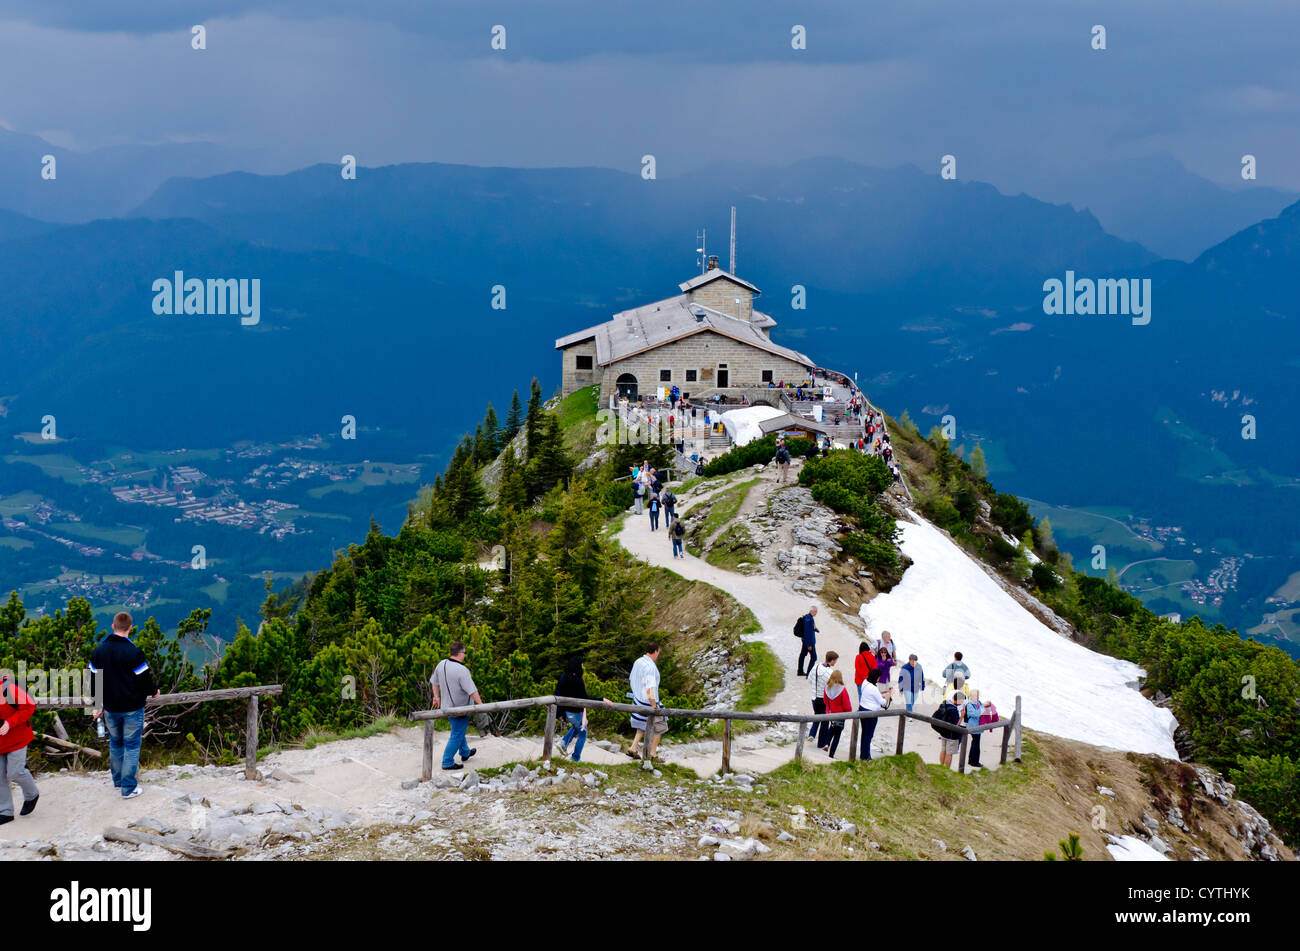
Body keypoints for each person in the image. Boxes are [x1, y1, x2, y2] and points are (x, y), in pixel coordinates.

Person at [89, 611, 159, 799]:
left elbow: (94, 679)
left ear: (113, 626)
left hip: (110, 707)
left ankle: (118, 780)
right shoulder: (133, 652)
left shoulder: (99, 651)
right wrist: (154, 691)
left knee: (116, 743)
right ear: (130, 628)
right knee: (132, 745)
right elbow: (144, 679)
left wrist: (97, 705)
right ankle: (128, 788)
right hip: (132, 707)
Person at [430, 641, 482, 771]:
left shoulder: (441, 664)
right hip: (461, 709)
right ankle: (447, 762)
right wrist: (481, 706)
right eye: (464, 652)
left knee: (458, 731)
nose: (465, 655)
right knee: (457, 734)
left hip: (446, 707)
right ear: (460, 653)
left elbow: (434, 682)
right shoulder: (462, 670)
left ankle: (465, 752)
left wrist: (436, 697)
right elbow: (473, 691)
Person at [554, 656, 613, 763]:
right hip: (574, 711)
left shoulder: (564, 676)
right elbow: (585, 699)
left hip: (565, 711)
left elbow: (558, 692)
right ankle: (575, 758)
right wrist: (602, 699)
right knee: (583, 733)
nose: (583, 666)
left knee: (578, 726)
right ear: (578, 665)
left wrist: (559, 713)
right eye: (582, 664)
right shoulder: (578, 680)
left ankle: (563, 743)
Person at [0, 672, 38, 824]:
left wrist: (10, 722)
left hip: (17, 738)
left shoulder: (8, 689)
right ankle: (5, 811)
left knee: (15, 773)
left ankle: (32, 794)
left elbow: (29, 706)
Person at [626, 643, 667, 760]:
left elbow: (631, 678)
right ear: (656, 651)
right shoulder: (650, 668)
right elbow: (650, 689)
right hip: (648, 701)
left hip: (638, 698)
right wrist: (654, 705)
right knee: (659, 726)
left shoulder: (638, 661)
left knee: (642, 724)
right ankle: (652, 754)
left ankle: (633, 748)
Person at [822, 670, 853, 758]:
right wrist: (848, 713)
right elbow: (847, 706)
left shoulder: (826, 688)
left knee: (831, 728)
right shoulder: (842, 690)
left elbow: (825, 701)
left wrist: (828, 710)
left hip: (831, 713)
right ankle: (831, 755)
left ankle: (827, 744)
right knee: (837, 735)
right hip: (840, 715)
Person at [808, 650, 837, 744]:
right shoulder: (830, 673)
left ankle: (812, 734)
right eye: (835, 660)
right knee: (824, 721)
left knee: (817, 715)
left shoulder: (816, 666)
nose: (835, 662)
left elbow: (809, 679)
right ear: (832, 660)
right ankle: (821, 743)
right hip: (824, 699)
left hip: (814, 697)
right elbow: (832, 688)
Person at [856, 668, 885, 760]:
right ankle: (866, 756)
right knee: (868, 735)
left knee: (865, 734)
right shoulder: (874, 688)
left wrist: (885, 691)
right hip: (870, 714)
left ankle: (864, 755)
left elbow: (873, 694)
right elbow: (883, 703)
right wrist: (890, 694)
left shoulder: (865, 682)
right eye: (878, 677)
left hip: (862, 709)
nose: (879, 679)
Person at [936, 690, 965, 769]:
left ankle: (941, 766)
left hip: (943, 732)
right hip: (951, 735)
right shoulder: (954, 710)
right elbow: (955, 725)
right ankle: (947, 770)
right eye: (962, 701)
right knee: (949, 753)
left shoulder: (944, 703)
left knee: (943, 750)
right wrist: (962, 716)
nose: (962, 703)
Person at [963, 689, 985, 769]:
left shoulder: (978, 703)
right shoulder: (969, 705)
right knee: (976, 744)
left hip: (979, 726)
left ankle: (972, 760)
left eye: (978, 695)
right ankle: (974, 761)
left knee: (975, 743)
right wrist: (981, 711)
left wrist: (981, 710)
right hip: (973, 727)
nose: (978, 697)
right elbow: (975, 714)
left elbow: (983, 709)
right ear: (972, 696)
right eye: (976, 695)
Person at [796, 606, 819, 677]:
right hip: (809, 642)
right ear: (811, 611)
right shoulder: (809, 619)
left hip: (805, 640)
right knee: (814, 657)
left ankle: (800, 671)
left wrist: (814, 630)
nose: (816, 613)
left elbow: (808, 630)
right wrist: (809, 645)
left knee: (802, 655)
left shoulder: (807, 617)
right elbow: (807, 632)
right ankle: (809, 674)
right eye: (815, 611)